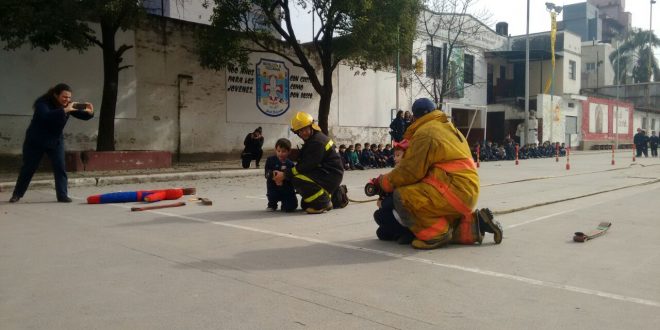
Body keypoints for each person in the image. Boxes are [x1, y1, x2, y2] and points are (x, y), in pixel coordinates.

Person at [369, 98, 503, 249]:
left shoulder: (426, 132)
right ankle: (476, 224)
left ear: (414, 117)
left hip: (450, 190)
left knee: (402, 197)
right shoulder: (449, 128)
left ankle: (435, 235)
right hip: (465, 190)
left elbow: (409, 172)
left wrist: (382, 182)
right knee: (434, 215)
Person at [9, 83, 94, 203]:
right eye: (64, 97)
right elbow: (45, 116)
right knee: (29, 168)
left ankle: (62, 195)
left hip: (55, 141)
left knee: (60, 167)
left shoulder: (68, 105)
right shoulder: (42, 103)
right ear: (55, 95)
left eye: (69, 97)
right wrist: (64, 110)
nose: (67, 100)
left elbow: (82, 115)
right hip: (35, 140)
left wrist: (90, 113)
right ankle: (17, 194)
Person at [272, 112, 344, 214]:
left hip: (329, 176)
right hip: (328, 174)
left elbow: (306, 165)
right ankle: (333, 194)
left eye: (304, 129)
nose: (302, 133)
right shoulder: (314, 138)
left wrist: (285, 174)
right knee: (305, 205)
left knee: (296, 178)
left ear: (311, 126)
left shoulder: (317, 142)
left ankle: (324, 203)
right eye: (299, 131)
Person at [264, 138, 298, 212]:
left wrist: (284, 178)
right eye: (278, 151)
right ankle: (272, 205)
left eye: (284, 151)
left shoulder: (290, 164)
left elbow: (292, 176)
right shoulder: (270, 160)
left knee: (291, 207)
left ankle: (286, 204)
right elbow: (266, 173)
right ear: (275, 150)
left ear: (289, 152)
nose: (280, 153)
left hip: (286, 187)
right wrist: (273, 176)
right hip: (273, 186)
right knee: (272, 195)